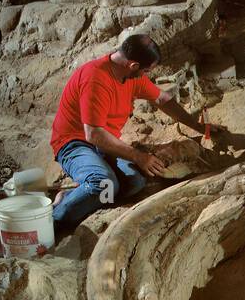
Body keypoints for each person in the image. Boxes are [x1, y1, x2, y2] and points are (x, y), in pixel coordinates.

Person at [50, 34, 226, 233]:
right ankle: (54, 219)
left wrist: (198, 126)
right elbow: (93, 134)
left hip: (105, 143)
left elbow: (162, 100)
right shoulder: (96, 79)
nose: (146, 75)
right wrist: (138, 156)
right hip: (75, 143)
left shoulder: (129, 75)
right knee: (104, 183)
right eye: (146, 70)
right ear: (133, 65)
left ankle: (75, 195)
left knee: (136, 182)